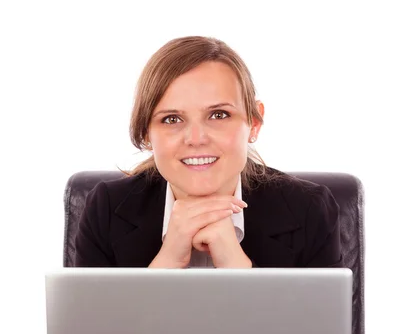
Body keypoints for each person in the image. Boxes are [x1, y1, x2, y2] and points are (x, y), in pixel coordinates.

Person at [74, 36, 344, 270]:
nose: (196, 139)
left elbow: (321, 330)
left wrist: (237, 267)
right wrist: (166, 262)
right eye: (171, 119)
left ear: (254, 123)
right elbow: (92, 330)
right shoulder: (106, 211)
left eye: (219, 114)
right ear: (146, 133)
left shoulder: (309, 210)